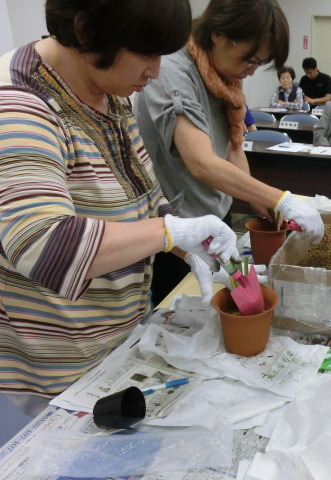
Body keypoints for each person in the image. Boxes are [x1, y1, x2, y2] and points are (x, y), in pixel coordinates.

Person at [0, 0, 248, 414]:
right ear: (87, 31)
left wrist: (189, 242)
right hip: (55, 368)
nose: (154, 71)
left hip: (117, 341)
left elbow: (147, 196)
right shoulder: (21, 104)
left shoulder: (109, 91)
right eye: (146, 53)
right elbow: (41, 244)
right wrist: (168, 234)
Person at [134, 0, 324, 304]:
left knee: (212, 302)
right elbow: (202, 162)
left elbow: (233, 148)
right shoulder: (172, 69)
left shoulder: (225, 79)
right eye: (248, 60)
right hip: (176, 226)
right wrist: (279, 199)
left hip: (212, 215)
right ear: (219, 34)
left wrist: (256, 198)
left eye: (258, 64)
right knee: (176, 304)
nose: (249, 72)